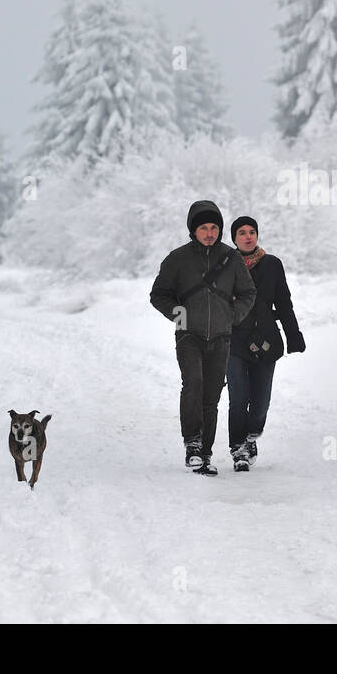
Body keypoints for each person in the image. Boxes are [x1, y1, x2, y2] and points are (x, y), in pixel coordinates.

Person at [149, 200, 256, 476]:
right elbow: (158, 294)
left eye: (214, 227)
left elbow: (248, 293)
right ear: (193, 230)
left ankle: (205, 454)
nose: (209, 232)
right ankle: (192, 443)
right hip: (189, 335)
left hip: (221, 336)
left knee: (211, 396)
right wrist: (179, 316)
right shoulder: (177, 259)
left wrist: (233, 317)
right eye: (203, 228)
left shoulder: (231, 259)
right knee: (193, 383)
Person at [226, 215, 304, 472]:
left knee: (261, 401)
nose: (248, 236)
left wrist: (294, 335)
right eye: (242, 233)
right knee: (238, 398)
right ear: (234, 238)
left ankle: (251, 437)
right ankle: (238, 448)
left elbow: (283, 302)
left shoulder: (272, 264)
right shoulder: (225, 264)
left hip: (265, 340)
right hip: (234, 340)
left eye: (251, 232)